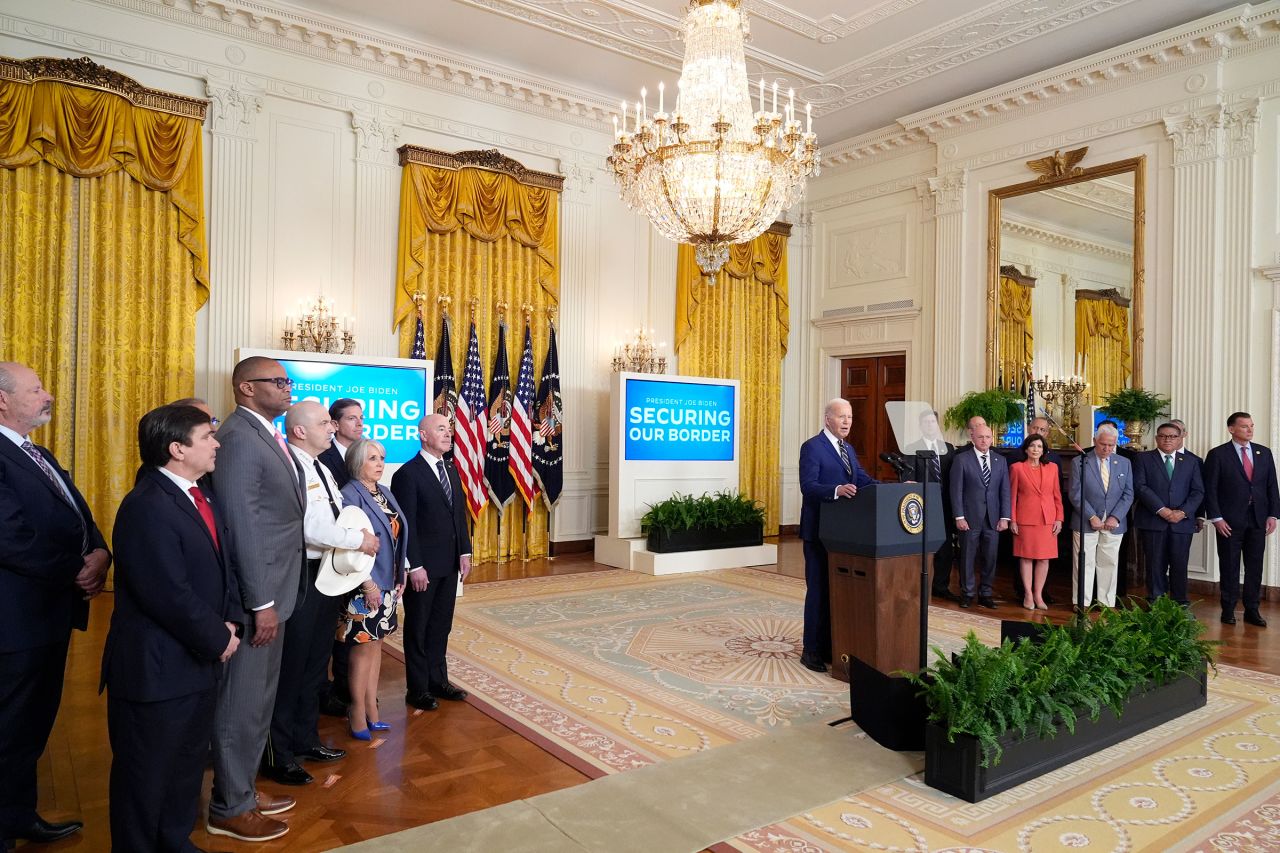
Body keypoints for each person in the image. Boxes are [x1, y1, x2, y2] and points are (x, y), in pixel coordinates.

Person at [101, 404, 243, 853]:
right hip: (157, 669)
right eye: (207, 436)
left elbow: (226, 568)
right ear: (177, 448)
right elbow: (165, 592)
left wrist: (233, 622)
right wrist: (219, 637)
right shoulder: (146, 506)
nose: (216, 443)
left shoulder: (201, 495)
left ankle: (174, 840)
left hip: (197, 662)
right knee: (146, 772)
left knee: (184, 765)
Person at [0, 362, 110, 846]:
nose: (47, 396)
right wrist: (75, 568)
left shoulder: (35, 452)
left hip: (48, 617)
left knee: (31, 725)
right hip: (13, 622)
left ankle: (17, 814)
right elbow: (10, 539)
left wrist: (101, 552)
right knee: (7, 727)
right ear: (3, 400)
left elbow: (78, 513)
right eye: (37, 389)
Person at [207, 357, 306, 843]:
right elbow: (242, 525)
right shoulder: (241, 437)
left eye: (288, 380)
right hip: (257, 596)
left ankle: (240, 786)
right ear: (246, 388)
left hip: (277, 588)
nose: (288, 388)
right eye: (278, 381)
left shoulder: (263, 431)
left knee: (259, 700)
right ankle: (229, 806)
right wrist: (260, 601)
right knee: (240, 703)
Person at [263, 402, 380, 784]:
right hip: (301, 574)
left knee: (315, 664)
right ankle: (280, 754)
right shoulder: (291, 467)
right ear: (299, 431)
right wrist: (359, 541)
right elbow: (311, 528)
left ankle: (305, 737)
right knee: (293, 666)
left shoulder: (323, 467)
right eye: (323, 422)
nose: (331, 427)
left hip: (328, 574)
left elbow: (335, 514)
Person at [391, 414, 473, 709]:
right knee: (419, 627)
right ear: (423, 435)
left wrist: (465, 551)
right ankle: (418, 689)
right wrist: (414, 565)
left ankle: (439, 681)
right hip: (423, 568)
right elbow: (406, 524)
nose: (448, 434)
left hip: (449, 564)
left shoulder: (450, 469)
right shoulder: (407, 474)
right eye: (441, 429)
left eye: (449, 429)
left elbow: (458, 517)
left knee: (441, 625)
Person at [797, 399, 878, 671]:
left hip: (843, 534)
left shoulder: (849, 449)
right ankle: (811, 651)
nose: (847, 422)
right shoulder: (812, 447)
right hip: (818, 532)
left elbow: (863, 480)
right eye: (842, 417)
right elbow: (808, 487)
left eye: (850, 417)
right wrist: (836, 490)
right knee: (819, 591)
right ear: (827, 418)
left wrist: (896, 487)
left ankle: (832, 646)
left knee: (838, 592)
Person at [340, 439, 409, 736]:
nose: (380, 463)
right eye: (372, 458)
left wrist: (399, 574)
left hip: (387, 582)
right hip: (363, 586)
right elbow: (348, 549)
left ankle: (372, 708)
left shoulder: (386, 492)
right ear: (357, 463)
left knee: (377, 646)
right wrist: (368, 585)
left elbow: (396, 538)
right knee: (361, 649)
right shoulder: (349, 495)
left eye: (382, 458)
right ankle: (356, 710)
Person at [1204, 412, 1279, 627]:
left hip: (1258, 519)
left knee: (1255, 566)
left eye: (1251, 426)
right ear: (1231, 429)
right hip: (1228, 520)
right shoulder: (1218, 454)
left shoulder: (1264, 453)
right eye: (1245, 426)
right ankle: (1228, 609)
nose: (1250, 429)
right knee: (1229, 565)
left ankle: (1252, 610)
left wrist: (1273, 514)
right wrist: (1216, 518)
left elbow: (1272, 486)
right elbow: (1211, 489)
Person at [1132, 422, 1204, 606]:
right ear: (1156, 438)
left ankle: (1181, 602)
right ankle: (1155, 602)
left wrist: (1182, 512)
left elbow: (1198, 491)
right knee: (1155, 564)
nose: (1167, 439)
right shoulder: (1143, 458)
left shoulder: (1191, 461)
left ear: (1180, 439)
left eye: (1172, 436)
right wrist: (1162, 510)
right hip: (1153, 521)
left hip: (1182, 522)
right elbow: (1140, 486)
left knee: (1180, 564)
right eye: (1163, 436)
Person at [1068, 424, 1134, 608]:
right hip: (1085, 521)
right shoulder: (1079, 461)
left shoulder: (1124, 462)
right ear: (1094, 441)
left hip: (1114, 523)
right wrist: (1091, 516)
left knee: (1109, 563)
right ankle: (1082, 602)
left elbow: (1128, 494)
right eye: (1103, 444)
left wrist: (1116, 517)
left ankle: (1106, 603)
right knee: (1084, 563)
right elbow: (1075, 493)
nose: (1106, 449)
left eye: (1111, 445)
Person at [950, 425, 1011, 609]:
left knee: (990, 557)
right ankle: (967, 593)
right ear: (972, 438)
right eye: (980, 437)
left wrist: (1005, 517)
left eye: (987, 437)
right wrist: (959, 517)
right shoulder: (961, 459)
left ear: (992, 439)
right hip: (969, 518)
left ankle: (986, 593)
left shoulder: (1000, 460)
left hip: (993, 519)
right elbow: (956, 490)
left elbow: (1005, 491)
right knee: (968, 557)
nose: (984, 440)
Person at [903, 410, 956, 601]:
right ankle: (916, 587)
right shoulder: (912, 448)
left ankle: (941, 587)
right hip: (922, 506)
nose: (929, 425)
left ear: (937, 424)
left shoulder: (948, 448)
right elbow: (907, 478)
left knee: (945, 549)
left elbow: (955, 480)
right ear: (921, 426)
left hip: (945, 506)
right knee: (921, 549)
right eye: (925, 422)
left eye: (932, 422)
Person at [1008, 433, 1062, 610]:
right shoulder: (1017, 468)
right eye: (1032, 446)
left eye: (1039, 446)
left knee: (1044, 559)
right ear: (1026, 449)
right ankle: (1028, 595)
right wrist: (1013, 520)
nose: (1036, 449)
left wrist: (1059, 518)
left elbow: (1057, 496)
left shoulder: (1052, 468)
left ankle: (1038, 594)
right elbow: (1012, 496)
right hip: (1025, 519)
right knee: (1026, 558)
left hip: (1047, 520)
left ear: (1044, 450)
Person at [320, 398, 363, 488]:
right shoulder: (321, 457)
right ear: (335, 425)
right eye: (352, 418)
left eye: (361, 418)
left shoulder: (367, 455)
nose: (360, 423)